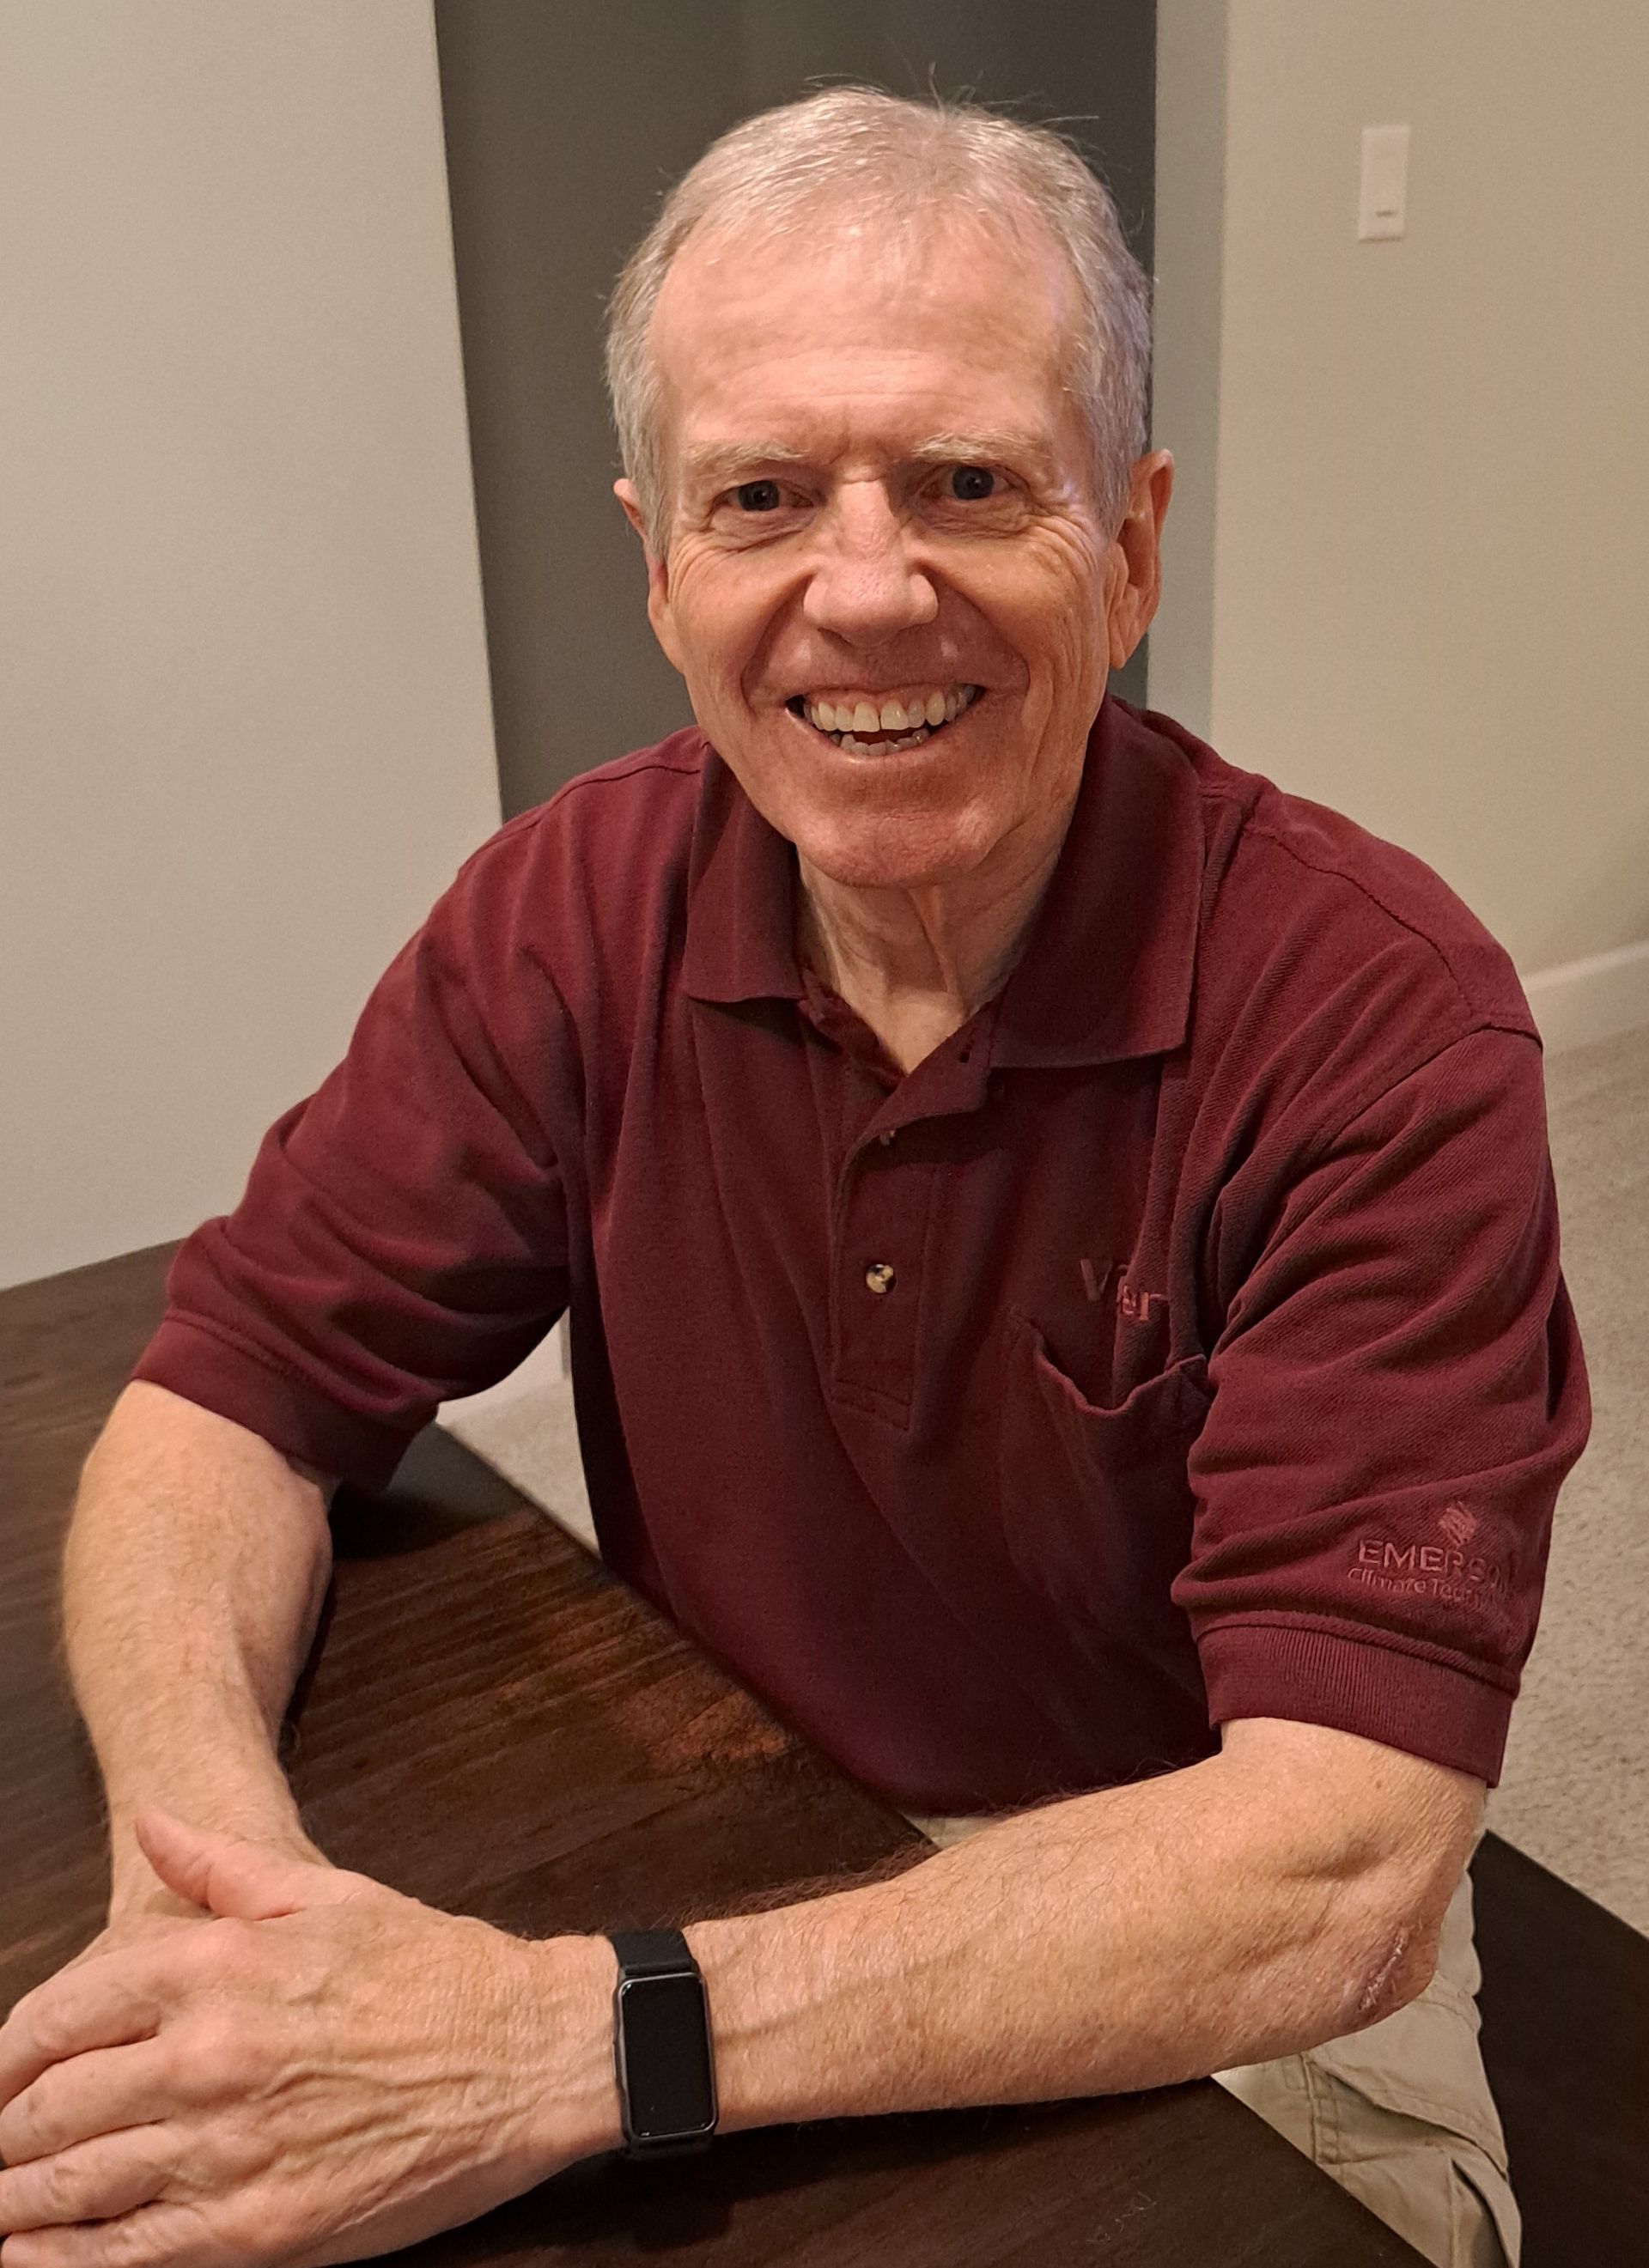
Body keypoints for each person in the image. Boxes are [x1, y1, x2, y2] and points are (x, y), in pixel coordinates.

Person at [0, 88, 1585, 2268]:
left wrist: (547, 2044)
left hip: (1204, 1964)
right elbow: (231, 1393)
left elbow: (1337, 1867)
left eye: (966, 483)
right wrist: (211, 1892)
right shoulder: (570, 911)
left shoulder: (1383, 1021)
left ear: (1127, 547)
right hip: (738, 1877)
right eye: (766, 497)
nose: (864, 588)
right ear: (661, 565)